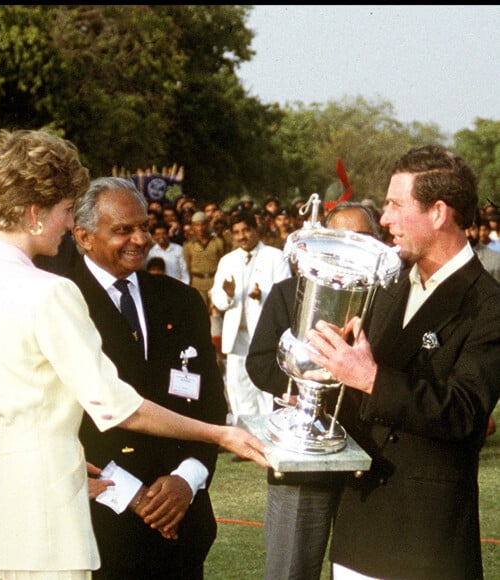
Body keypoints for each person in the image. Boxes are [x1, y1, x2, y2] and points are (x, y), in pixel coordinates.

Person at [0, 128, 270, 580]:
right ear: (35, 213)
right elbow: (116, 406)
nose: (69, 226)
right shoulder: (51, 291)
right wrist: (220, 436)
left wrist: (32, 459)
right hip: (49, 525)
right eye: (67, 211)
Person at [304, 145, 500, 579]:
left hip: (426, 543)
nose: (385, 219)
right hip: (357, 530)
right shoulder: (386, 286)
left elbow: (465, 413)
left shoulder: (488, 304)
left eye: (395, 205)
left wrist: (371, 378)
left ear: (438, 212)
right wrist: (322, 376)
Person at [68, 177, 228, 578]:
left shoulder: (180, 300)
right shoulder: (61, 302)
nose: (141, 239)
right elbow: (61, 415)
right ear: (84, 237)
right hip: (100, 523)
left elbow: (209, 404)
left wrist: (186, 478)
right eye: (123, 230)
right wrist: (133, 495)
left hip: (181, 525)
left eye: (143, 226)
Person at [246, 201, 381, 580]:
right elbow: (259, 362)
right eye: (343, 239)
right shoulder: (289, 292)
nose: (353, 248)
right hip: (304, 458)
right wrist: (306, 390)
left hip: (369, 464)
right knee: (291, 570)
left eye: (364, 238)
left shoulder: (389, 299)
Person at [210, 211, 291, 431]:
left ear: (256, 229)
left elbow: (285, 294)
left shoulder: (275, 256)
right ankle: (245, 435)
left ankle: (268, 434)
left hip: (264, 334)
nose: (242, 236)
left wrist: (262, 295)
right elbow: (216, 296)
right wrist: (227, 294)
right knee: (238, 385)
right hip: (237, 335)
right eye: (236, 232)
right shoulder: (228, 260)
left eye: (246, 230)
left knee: (264, 385)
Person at [183, 211, 226, 311]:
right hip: (197, 283)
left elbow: (223, 262)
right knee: (200, 312)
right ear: (193, 227)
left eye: (203, 224)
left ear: (207, 224)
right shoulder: (189, 245)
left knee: (216, 311)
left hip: (214, 281)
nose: (200, 228)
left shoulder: (218, 242)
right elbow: (187, 266)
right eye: (197, 225)